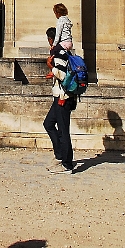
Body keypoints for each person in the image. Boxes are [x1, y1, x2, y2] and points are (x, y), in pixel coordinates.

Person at [42, 27, 75, 174]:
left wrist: (51, 67)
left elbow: (63, 75)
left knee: (63, 131)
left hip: (63, 97)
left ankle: (67, 165)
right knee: (48, 124)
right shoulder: (63, 52)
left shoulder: (59, 53)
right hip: (59, 96)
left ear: (51, 39)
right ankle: (60, 155)